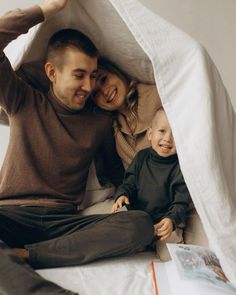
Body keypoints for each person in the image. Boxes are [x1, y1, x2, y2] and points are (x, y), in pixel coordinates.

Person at [0, 1, 154, 294]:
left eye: (93, 75)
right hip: (11, 214)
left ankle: (25, 255)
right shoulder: (23, 100)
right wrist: (46, 9)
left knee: (140, 225)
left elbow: (116, 174)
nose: (88, 85)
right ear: (51, 71)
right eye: (79, 74)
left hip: (63, 222)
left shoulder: (98, 123)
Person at [111, 108, 191, 259]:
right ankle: (142, 242)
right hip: (139, 218)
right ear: (150, 134)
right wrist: (122, 194)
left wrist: (171, 220)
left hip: (164, 222)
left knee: (170, 256)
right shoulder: (141, 157)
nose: (168, 138)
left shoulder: (180, 167)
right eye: (162, 131)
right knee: (120, 231)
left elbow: (181, 202)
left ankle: (158, 244)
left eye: (175, 134)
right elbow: (129, 182)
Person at [92, 57, 163, 168]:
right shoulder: (116, 132)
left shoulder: (159, 97)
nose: (104, 91)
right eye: (95, 93)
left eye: (104, 79)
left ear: (116, 72)